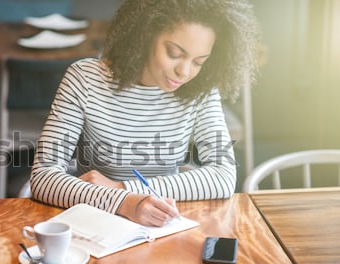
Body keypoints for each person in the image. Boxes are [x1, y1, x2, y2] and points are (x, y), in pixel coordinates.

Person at [30, 0, 260, 226]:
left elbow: (224, 177)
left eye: (199, 62)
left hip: (162, 222)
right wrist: (127, 203)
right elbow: (42, 177)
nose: (184, 71)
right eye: (174, 53)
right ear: (145, 35)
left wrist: (122, 188)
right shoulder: (85, 79)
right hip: (99, 222)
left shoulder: (201, 90)